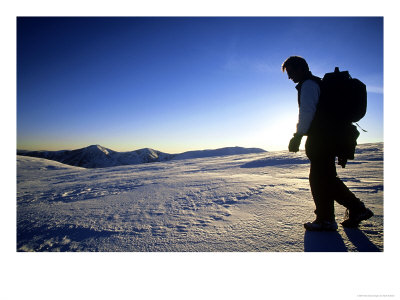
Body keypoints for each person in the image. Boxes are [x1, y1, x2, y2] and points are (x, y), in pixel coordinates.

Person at [282, 56, 373, 231]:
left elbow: (307, 113)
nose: (289, 77)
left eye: (291, 71)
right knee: (326, 178)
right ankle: (342, 213)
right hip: (330, 138)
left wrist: (298, 136)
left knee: (320, 180)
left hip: (320, 139)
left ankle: (335, 216)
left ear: (302, 68)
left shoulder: (308, 85)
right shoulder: (318, 83)